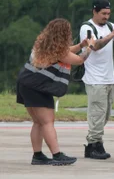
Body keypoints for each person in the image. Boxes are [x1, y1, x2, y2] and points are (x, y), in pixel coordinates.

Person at [16, 18, 95, 165]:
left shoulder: (44, 44)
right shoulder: (58, 51)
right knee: (47, 122)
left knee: (38, 122)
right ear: (64, 34)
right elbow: (78, 60)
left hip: (26, 83)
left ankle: (38, 156)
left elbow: (65, 52)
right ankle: (57, 155)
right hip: (37, 87)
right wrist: (89, 48)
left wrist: (80, 45)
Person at [81, 0, 114, 160]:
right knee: (96, 114)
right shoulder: (87, 27)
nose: (106, 17)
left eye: (108, 14)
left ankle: (95, 142)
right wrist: (112, 34)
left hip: (109, 77)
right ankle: (93, 145)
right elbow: (95, 46)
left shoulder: (111, 26)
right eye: (103, 13)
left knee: (105, 115)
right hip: (94, 78)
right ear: (94, 11)